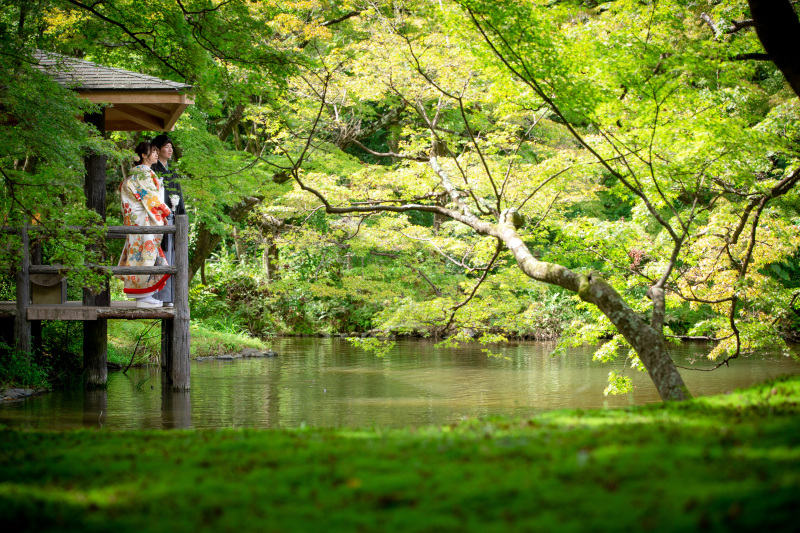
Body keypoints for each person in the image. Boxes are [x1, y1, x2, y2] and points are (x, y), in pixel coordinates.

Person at [117, 141, 172, 309]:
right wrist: (165, 211)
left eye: (157, 151)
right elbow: (152, 198)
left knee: (143, 256)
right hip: (143, 219)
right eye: (153, 151)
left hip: (138, 218)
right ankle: (142, 297)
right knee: (144, 255)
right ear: (143, 155)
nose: (156, 154)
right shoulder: (142, 174)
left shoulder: (138, 174)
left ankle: (145, 295)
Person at [150, 134, 185, 307]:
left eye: (171, 146)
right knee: (159, 256)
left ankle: (169, 297)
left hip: (171, 219)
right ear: (156, 149)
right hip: (157, 220)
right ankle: (156, 296)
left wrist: (181, 217)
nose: (170, 149)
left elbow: (180, 200)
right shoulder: (152, 171)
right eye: (166, 146)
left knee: (171, 258)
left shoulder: (172, 173)